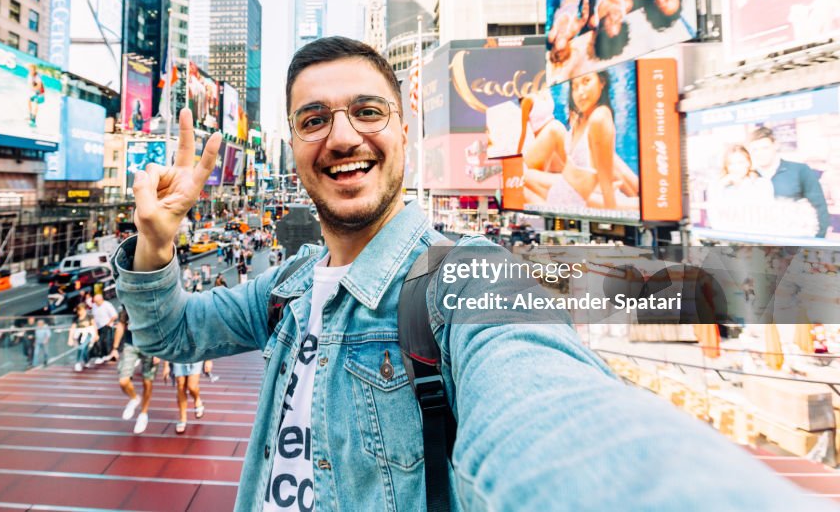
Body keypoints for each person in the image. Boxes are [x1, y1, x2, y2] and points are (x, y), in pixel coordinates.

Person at [115, 37, 813, 511]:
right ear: (294, 147)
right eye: (314, 119)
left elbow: (546, 408)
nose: (344, 136)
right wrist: (153, 242)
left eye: (367, 111)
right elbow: (170, 331)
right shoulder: (291, 283)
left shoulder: (465, 277)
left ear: (405, 135)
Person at [522, 70, 639, 211]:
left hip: (577, 197)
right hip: (570, 193)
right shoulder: (582, 119)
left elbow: (606, 175)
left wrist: (610, 211)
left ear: (602, 82)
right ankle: (640, 195)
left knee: (525, 180)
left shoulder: (599, 117)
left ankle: (642, 197)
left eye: (586, 82)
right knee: (525, 180)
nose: (580, 92)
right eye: (575, 87)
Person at [747, 126, 830, 238]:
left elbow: (820, 208)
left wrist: (817, 242)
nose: (760, 153)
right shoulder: (750, 177)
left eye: (764, 148)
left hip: (796, 245)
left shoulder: (800, 170)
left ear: (775, 145)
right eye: (755, 150)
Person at [113, 305, 159, 434]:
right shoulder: (127, 303)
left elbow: (159, 326)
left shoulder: (151, 303)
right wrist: (115, 348)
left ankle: (143, 414)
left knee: (147, 382)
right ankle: (134, 398)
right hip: (130, 344)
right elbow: (121, 325)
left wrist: (159, 351)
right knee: (123, 381)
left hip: (150, 346)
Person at [68, 303, 98, 372]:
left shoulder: (89, 316)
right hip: (79, 335)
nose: (79, 312)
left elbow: (94, 325)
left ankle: (78, 362)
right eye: (78, 310)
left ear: (84, 309)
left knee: (82, 347)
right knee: (84, 349)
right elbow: (72, 328)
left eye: (81, 310)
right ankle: (86, 361)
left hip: (88, 334)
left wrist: (96, 334)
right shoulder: (76, 318)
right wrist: (70, 338)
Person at [90, 293, 118, 363]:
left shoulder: (107, 305)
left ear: (101, 299)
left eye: (97, 301)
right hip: (97, 327)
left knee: (104, 341)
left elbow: (115, 315)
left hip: (106, 325)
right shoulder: (94, 306)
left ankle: (104, 355)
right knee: (97, 342)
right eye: (95, 301)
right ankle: (101, 355)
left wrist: (108, 323)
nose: (96, 303)